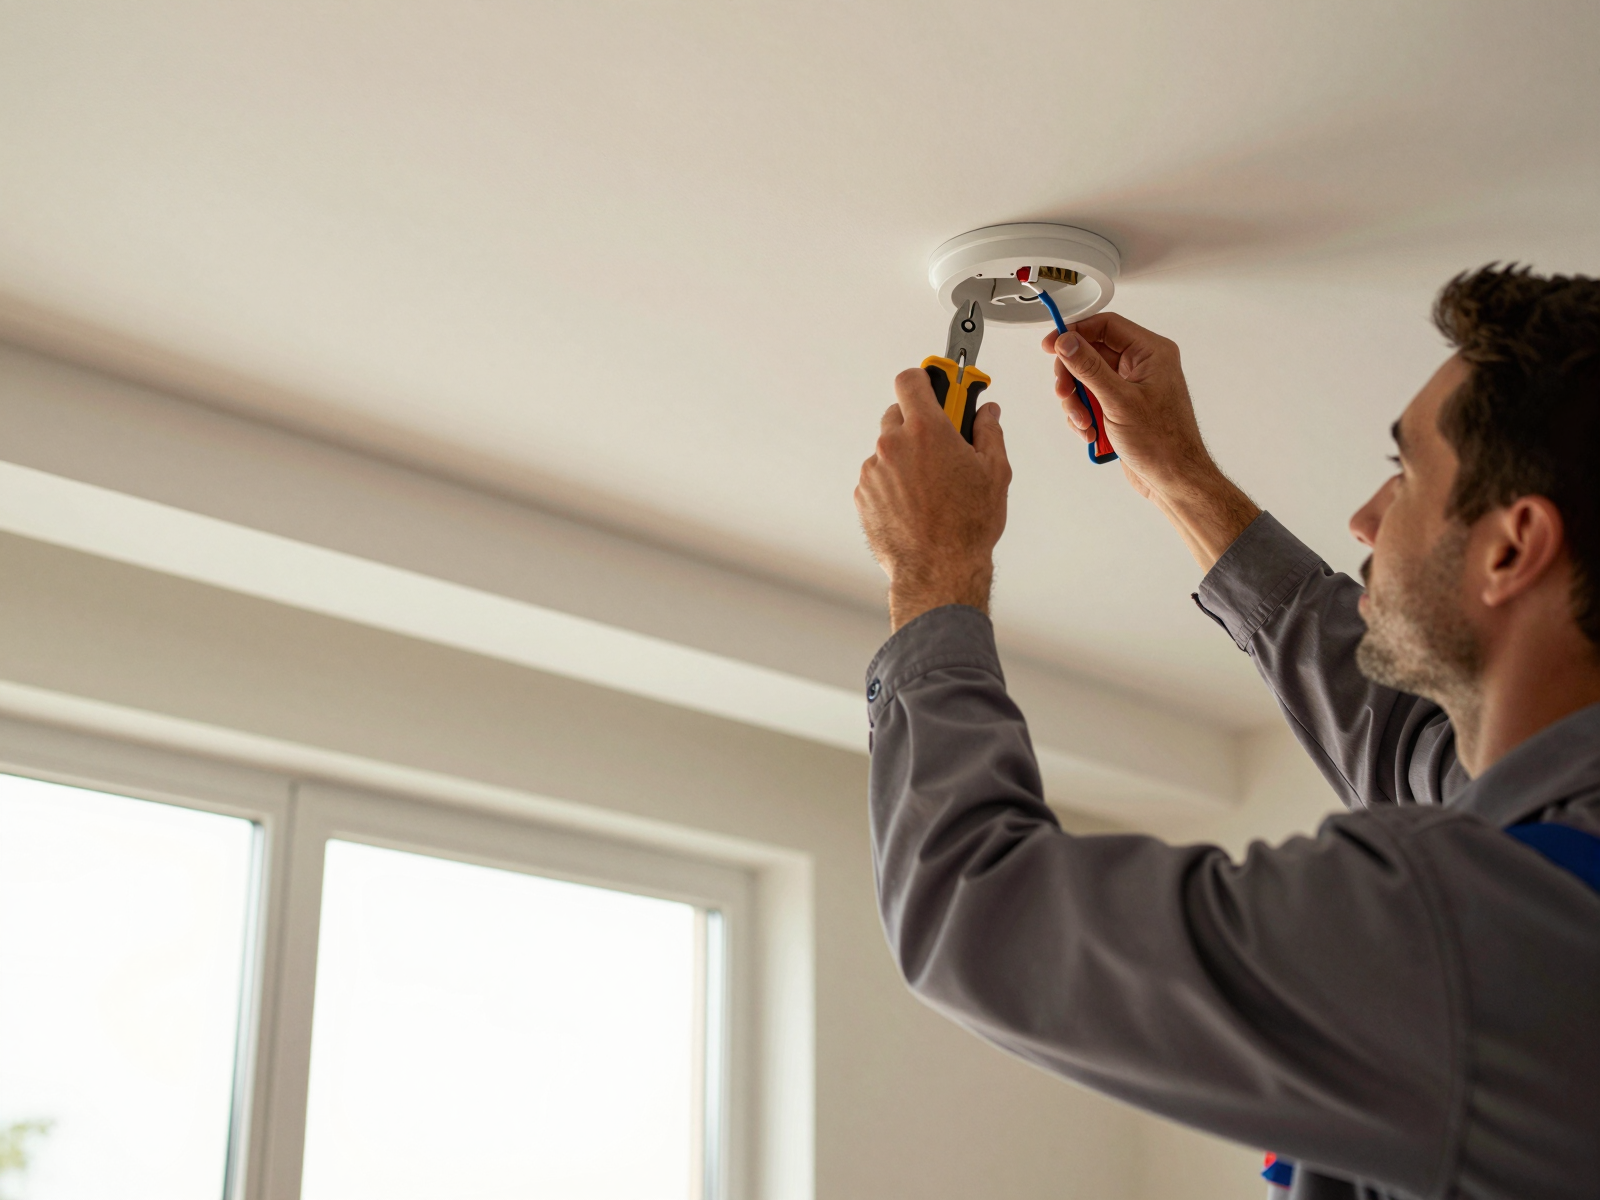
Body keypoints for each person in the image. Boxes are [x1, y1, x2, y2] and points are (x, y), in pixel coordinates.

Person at [852, 265, 1600, 1200]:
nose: (1366, 518)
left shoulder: (1488, 935)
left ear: (1512, 546)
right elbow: (1406, 745)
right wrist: (1180, 477)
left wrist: (934, 571)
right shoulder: (1556, 866)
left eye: (1402, 473)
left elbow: (978, 913)